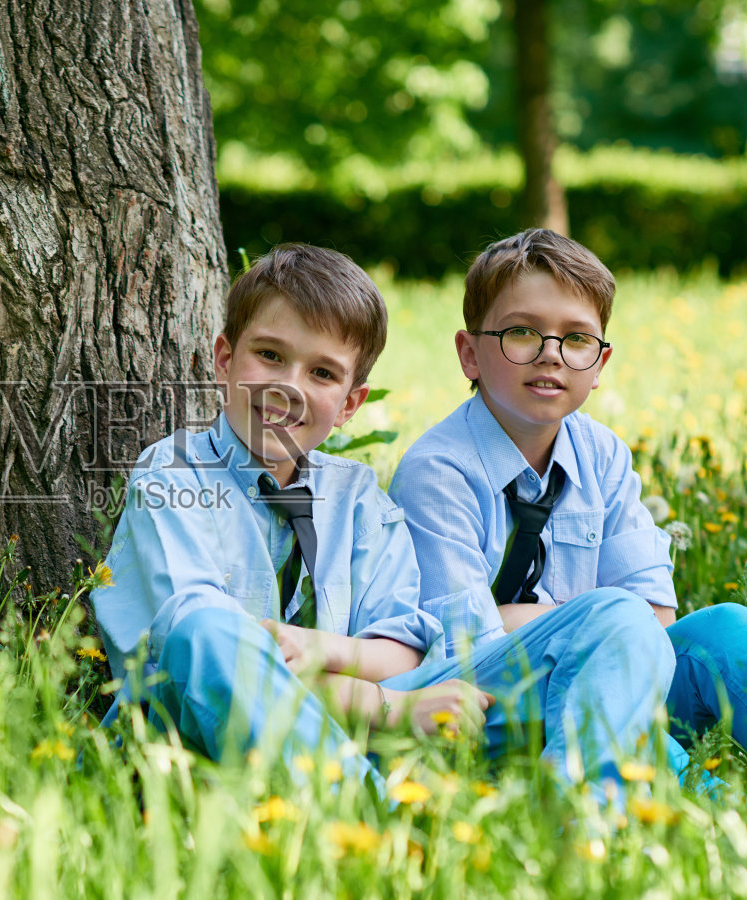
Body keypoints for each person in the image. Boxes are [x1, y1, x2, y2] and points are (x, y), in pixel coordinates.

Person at [91, 242, 678, 799]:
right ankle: (371, 816)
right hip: (194, 734)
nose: (289, 387)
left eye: (323, 374)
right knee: (208, 632)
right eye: (269, 355)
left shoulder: (358, 501)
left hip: (363, 726)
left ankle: (588, 818)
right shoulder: (174, 477)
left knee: (614, 621)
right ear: (224, 360)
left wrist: (373, 685)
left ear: (351, 403)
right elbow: (211, 654)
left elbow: (407, 651)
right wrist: (385, 707)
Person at [387, 227, 747, 784]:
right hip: (481, 710)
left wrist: (595, 626)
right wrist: (596, 620)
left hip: (607, 673)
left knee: (724, 628)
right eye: (521, 332)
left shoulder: (601, 454)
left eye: (576, 338)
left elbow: (655, 616)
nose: (551, 354)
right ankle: (713, 816)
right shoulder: (437, 472)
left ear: (600, 363)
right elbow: (462, 645)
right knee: (612, 662)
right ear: (469, 354)